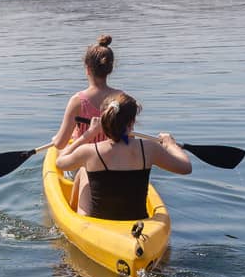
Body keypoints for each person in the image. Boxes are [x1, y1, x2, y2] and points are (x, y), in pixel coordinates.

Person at [55, 93, 193, 220]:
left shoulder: (89, 152)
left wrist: (88, 134)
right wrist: (170, 145)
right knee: (85, 171)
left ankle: (72, 213)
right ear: (132, 123)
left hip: (99, 224)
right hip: (137, 221)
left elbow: (60, 162)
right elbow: (186, 167)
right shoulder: (149, 148)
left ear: (105, 121)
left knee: (84, 171)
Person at [52, 34, 127, 149]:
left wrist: (55, 139)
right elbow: (128, 137)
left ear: (87, 69)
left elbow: (60, 144)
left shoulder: (78, 101)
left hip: (85, 159)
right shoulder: (122, 98)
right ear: (110, 69)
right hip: (113, 158)